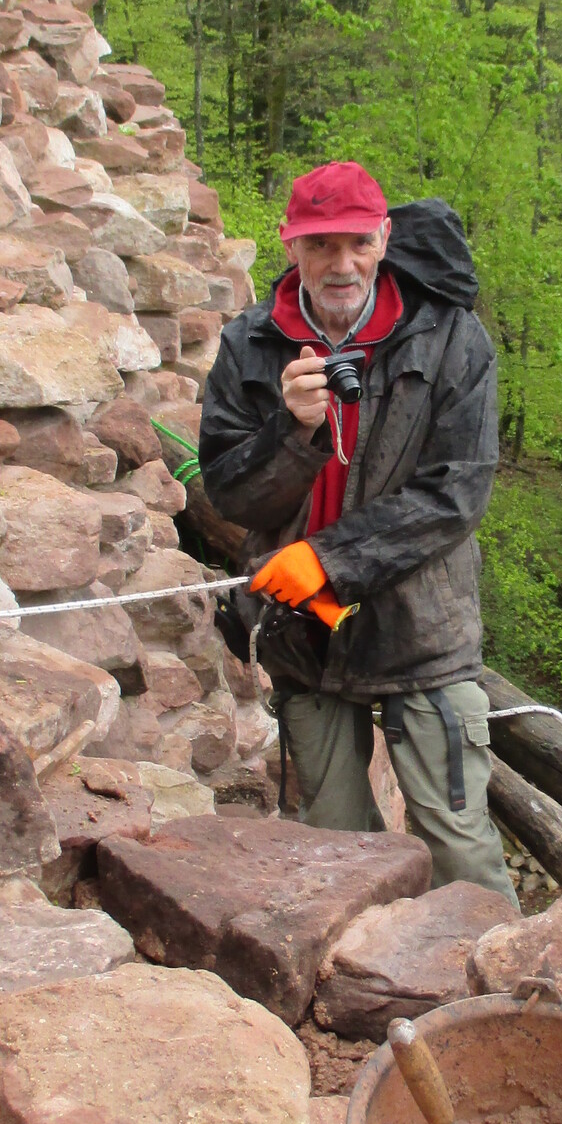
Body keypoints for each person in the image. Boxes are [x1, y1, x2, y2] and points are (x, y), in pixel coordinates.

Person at [198, 161, 517, 903]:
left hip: (421, 631)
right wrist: (291, 431)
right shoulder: (250, 344)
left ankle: (491, 974)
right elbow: (231, 494)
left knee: (458, 844)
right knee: (335, 847)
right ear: (290, 244)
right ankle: (364, 970)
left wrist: (329, 559)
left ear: (384, 238)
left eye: (357, 244)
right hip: (303, 635)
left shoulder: (451, 337)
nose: (340, 265)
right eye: (319, 245)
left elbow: (457, 493)